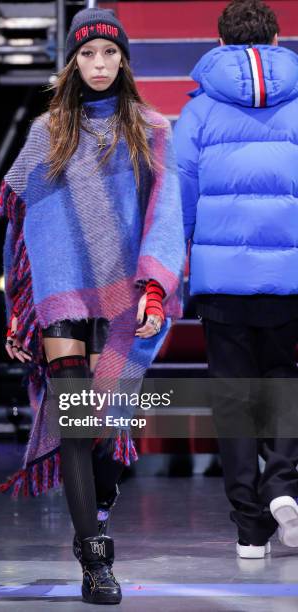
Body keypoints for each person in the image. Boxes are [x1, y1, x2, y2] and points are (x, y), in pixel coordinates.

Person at [0, 8, 185, 604]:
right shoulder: (46, 133)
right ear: (72, 61)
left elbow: (165, 213)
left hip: (123, 290)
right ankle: (94, 560)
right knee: (77, 425)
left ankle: (100, 506)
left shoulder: (150, 127)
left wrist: (155, 284)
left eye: (109, 53)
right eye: (87, 55)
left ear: (123, 59)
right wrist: (18, 307)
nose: (99, 65)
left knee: (104, 424)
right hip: (59, 292)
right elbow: (20, 222)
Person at [174, 0, 298, 560]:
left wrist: (177, 263)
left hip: (221, 281)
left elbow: (180, 194)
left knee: (231, 397)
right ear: (278, 37)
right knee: (284, 379)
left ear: (219, 44)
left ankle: (250, 528)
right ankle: (285, 485)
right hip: (290, 275)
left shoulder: (199, 112)